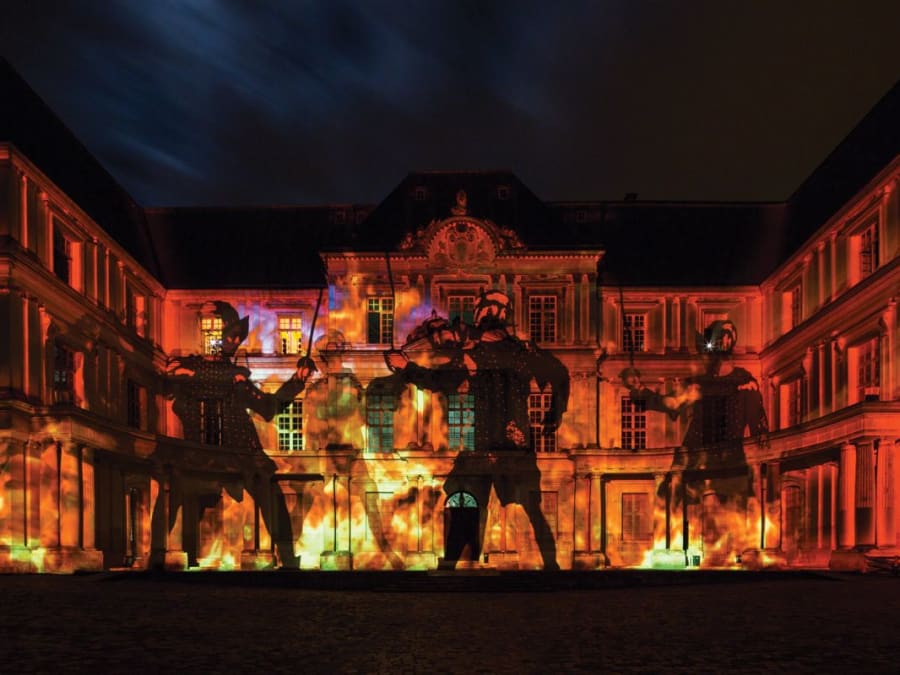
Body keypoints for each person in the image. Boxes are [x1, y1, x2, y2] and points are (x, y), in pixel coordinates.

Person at [385, 291, 568, 570]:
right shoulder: (520, 353)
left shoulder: (482, 355)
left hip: (493, 446)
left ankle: (450, 567)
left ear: (485, 315)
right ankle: (551, 569)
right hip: (506, 446)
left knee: (468, 503)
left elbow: (438, 381)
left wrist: (406, 368)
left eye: (484, 312)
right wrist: (554, 415)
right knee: (489, 504)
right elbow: (559, 375)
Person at [163, 301, 315, 568]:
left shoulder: (236, 378)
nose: (230, 342)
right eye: (226, 335)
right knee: (171, 491)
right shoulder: (196, 369)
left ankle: (289, 558)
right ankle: (165, 553)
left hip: (239, 448)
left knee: (271, 496)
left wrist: (297, 381)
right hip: (198, 447)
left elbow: (268, 407)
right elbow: (168, 384)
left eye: (234, 337)